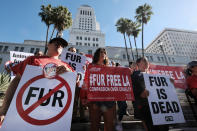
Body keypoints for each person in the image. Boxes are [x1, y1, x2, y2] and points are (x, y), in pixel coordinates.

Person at [0, 37, 74, 123]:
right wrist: (4, 109)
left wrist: (68, 73)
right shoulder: (33, 59)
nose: (59, 45)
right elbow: (16, 82)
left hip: (54, 113)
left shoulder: (67, 66)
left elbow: (73, 85)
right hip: (26, 108)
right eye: (56, 43)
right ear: (48, 45)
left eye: (62, 45)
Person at [80, 48, 116, 131]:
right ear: (96, 54)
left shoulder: (110, 68)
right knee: (95, 125)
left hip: (109, 100)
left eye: (104, 52)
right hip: (94, 100)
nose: (103, 53)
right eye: (101, 52)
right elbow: (86, 82)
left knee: (110, 125)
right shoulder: (90, 67)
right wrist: (83, 97)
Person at [131, 57, 169, 131]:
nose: (146, 62)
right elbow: (133, 88)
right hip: (143, 104)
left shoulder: (153, 75)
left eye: (147, 61)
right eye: (144, 61)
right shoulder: (134, 75)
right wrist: (141, 93)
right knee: (149, 124)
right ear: (138, 63)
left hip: (156, 105)